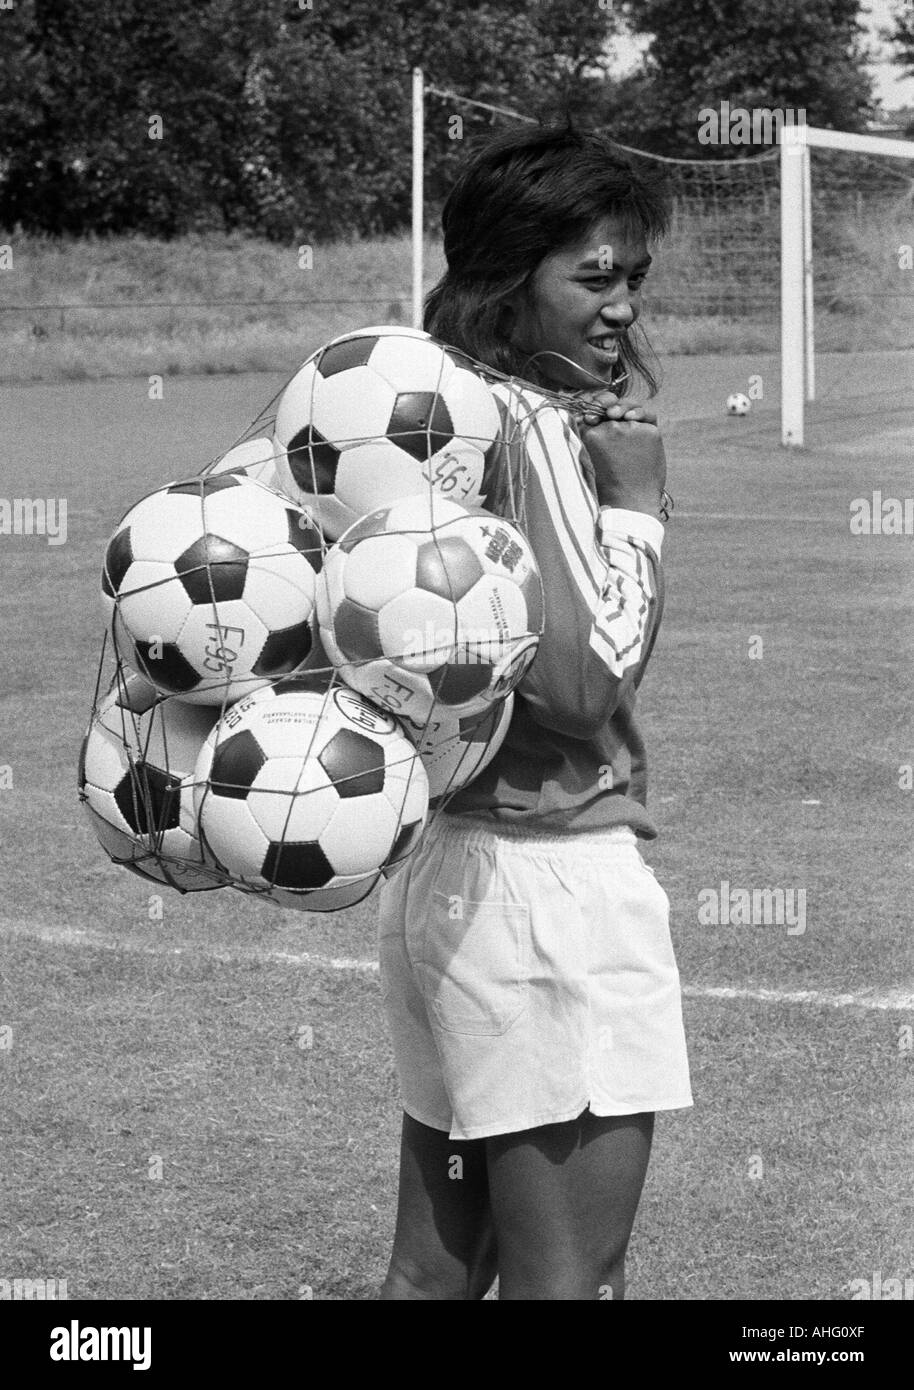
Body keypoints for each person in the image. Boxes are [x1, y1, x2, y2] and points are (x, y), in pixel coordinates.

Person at [377, 124, 692, 1301]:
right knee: (571, 1280)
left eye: (631, 277)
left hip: (445, 869)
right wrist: (638, 510)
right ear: (508, 285)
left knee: (433, 1272)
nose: (619, 308)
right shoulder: (534, 430)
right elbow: (578, 685)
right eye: (592, 277)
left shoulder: (430, 416)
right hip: (548, 884)